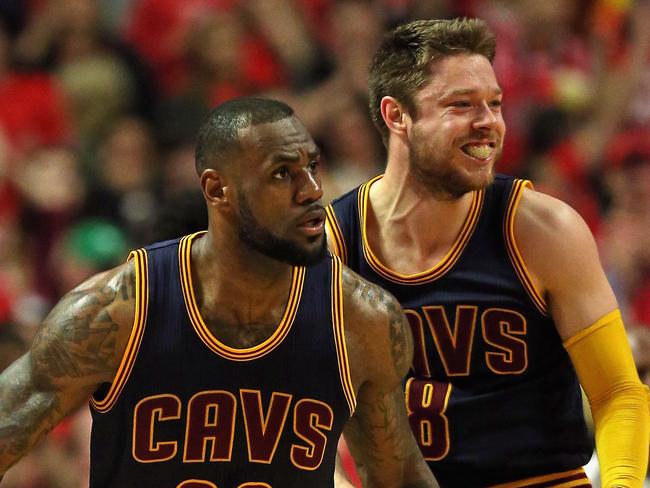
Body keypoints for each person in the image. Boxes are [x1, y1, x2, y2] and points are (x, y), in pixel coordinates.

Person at [0, 97, 438, 488]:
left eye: (312, 166)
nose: (312, 191)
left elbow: (398, 477)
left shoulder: (362, 318)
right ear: (216, 189)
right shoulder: (117, 311)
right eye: (283, 173)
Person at [326, 18, 649, 488]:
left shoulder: (541, 229)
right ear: (397, 116)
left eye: (494, 104)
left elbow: (619, 391)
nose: (489, 123)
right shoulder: (334, 247)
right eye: (462, 105)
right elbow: (298, 418)